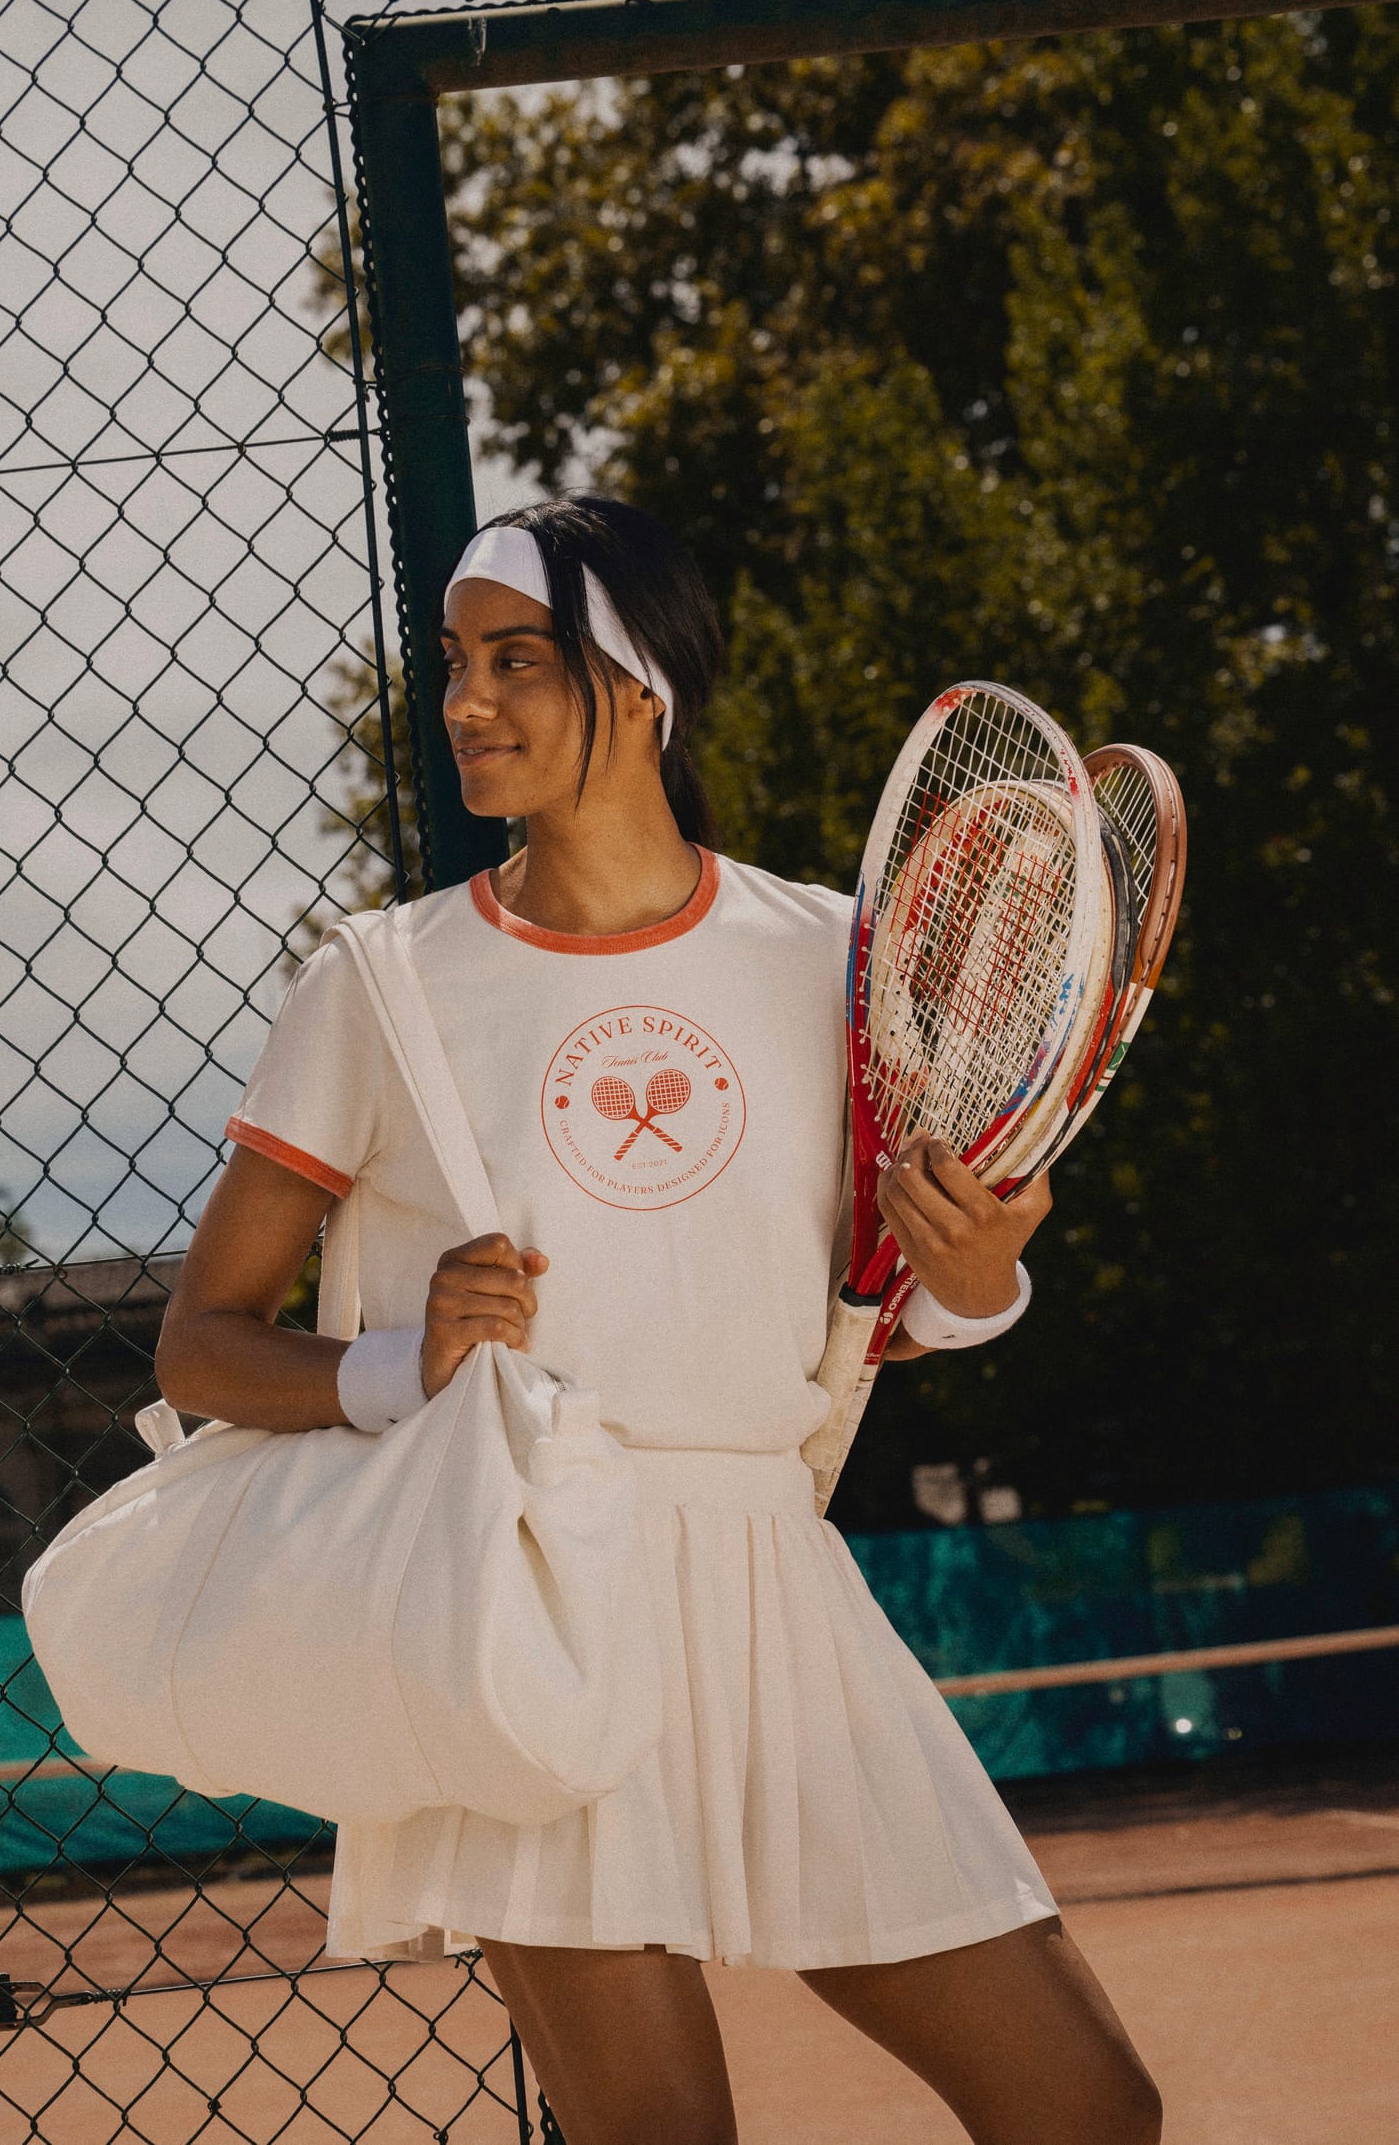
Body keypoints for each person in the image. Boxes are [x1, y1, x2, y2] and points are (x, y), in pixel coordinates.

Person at [155, 496, 1162, 2145]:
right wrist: (409, 1357)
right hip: (524, 1607)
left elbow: (905, 1309)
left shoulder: (838, 958)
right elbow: (200, 1344)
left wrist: (983, 1268)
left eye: (517, 662)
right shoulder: (380, 979)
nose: (465, 701)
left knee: (1088, 2109)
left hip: (779, 1588)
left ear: (640, 687)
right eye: (458, 665)